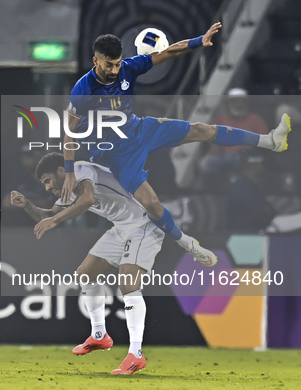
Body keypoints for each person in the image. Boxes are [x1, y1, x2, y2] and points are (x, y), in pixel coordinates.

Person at [62, 22, 291, 266]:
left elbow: (169, 52)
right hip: (117, 155)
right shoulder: (83, 90)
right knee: (151, 203)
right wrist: (68, 172)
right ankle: (189, 244)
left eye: (118, 63)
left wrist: (198, 41)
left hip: (141, 130)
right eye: (109, 65)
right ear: (95, 61)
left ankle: (270, 141)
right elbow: (69, 134)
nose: (115, 69)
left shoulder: (128, 68)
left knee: (201, 130)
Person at [11, 152, 184, 375]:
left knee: (128, 284)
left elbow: (88, 199)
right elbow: (48, 216)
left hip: (144, 224)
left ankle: (136, 355)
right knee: (85, 274)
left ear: (62, 171)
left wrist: (55, 220)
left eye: (47, 180)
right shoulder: (67, 189)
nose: (46, 188)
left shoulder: (81, 170)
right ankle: (100, 335)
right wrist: (27, 205)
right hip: (122, 228)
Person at [198, 88, 269, 186]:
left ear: (246, 103)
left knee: (248, 161)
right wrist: (214, 145)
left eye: (241, 102)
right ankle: (212, 189)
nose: (238, 105)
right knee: (205, 163)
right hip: (222, 155)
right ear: (228, 104)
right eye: (234, 102)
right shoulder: (220, 119)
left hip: (243, 155)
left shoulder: (255, 119)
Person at [226, 151, 276, 232]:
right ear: (253, 166)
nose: (263, 168)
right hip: (242, 235)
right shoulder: (241, 187)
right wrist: (263, 212)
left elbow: (271, 212)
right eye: (261, 164)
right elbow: (258, 215)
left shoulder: (253, 186)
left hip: (255, 233)